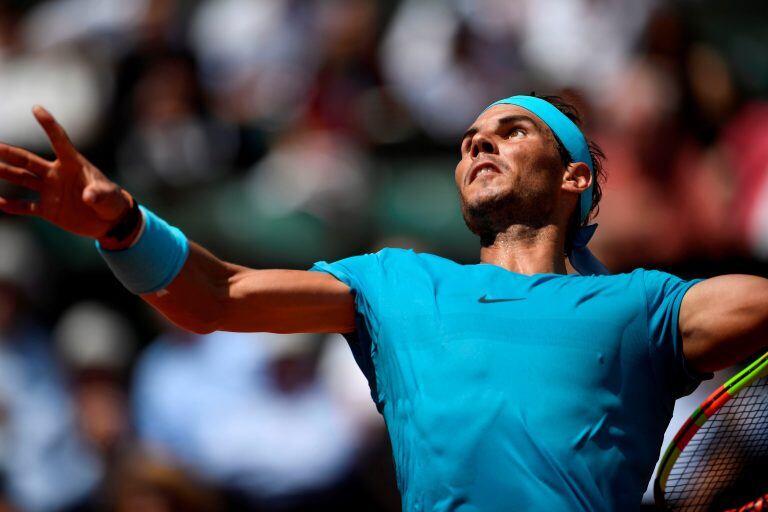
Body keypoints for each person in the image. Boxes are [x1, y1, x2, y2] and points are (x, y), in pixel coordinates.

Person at [1, 95, 766, 511]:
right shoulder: (397, 284)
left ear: (574, 181)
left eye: (513, 129)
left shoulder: (643, 306)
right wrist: (125, 225)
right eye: (469, 138)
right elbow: (218, 297)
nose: (478, 144)